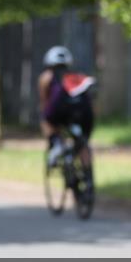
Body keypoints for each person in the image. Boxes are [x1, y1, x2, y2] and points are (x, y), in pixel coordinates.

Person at [39, 46, 95, 174]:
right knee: (83, 143)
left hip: (59, 112)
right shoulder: (78, 77)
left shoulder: (46, 78)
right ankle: (88, 180)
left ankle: (57, 145)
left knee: (46, 120)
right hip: (83, 114)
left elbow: (45, 103)